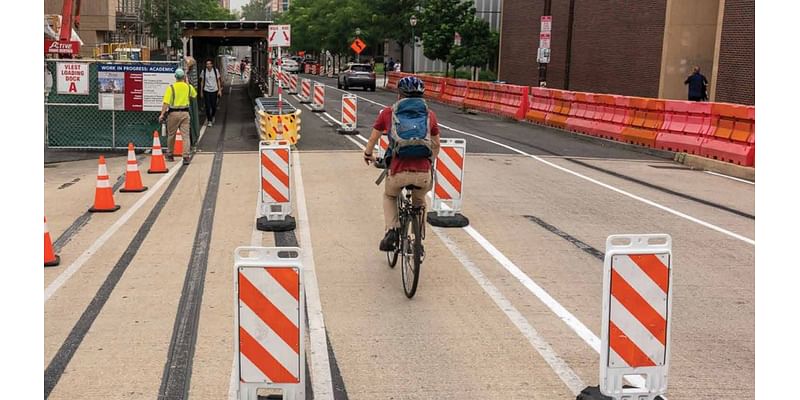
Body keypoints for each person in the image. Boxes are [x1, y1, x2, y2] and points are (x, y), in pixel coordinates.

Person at [363, 76, 440, 251]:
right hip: (423, 174)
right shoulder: (430, 116)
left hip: (397, 172)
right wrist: (429, 161)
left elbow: (373, 139)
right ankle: (417, 241)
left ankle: (392, 231)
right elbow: (436, 145)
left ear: (399, 95)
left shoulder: (388, 113)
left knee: (390, 196)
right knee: (419, 202)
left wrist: (368, 154)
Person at [159, 68, 197, 165]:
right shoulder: (188, 87)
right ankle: (186, 157)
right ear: (184, 77)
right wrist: (187, 83)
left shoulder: (171, 88)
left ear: (175, 77)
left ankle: (170, 154)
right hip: (185, 113)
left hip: (173, 114)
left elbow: (166, 103)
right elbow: (194, 95)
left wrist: (162, 114)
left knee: (171, 135)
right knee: (185, 136)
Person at [200, 59, 223, 127]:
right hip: (206, 90)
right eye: (207, 64)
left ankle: (213, 115)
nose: (208, 65)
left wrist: (219, 90)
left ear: (212, 64)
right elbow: (202, 82)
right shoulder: (203, 71)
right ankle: (209, 120)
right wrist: (201, 91)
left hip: (214, 90)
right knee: (207, 106)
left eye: (209, 64)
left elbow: (218, 80)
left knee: (213, 106)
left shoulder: (216, 71)